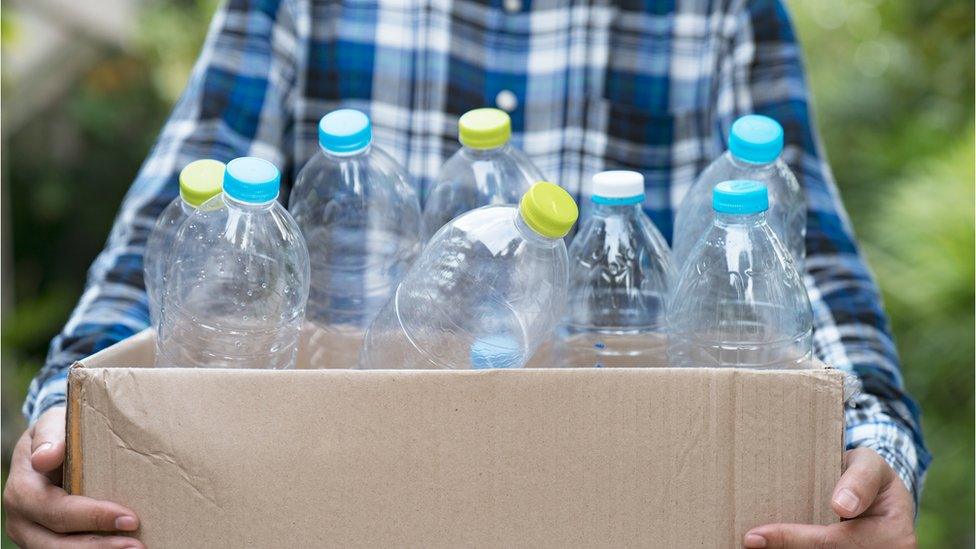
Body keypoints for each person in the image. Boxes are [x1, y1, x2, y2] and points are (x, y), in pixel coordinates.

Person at [3, 0, 929, 547]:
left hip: (618, 496)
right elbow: (176, 223)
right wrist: (72, 413)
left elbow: (807, 261)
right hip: (327, 493)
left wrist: (875, 444)